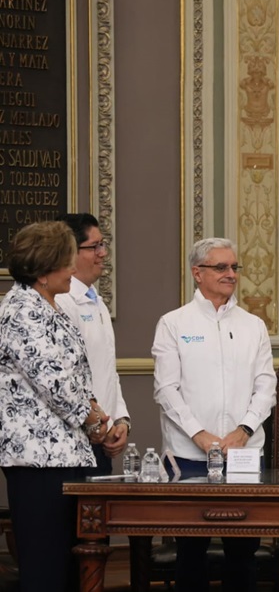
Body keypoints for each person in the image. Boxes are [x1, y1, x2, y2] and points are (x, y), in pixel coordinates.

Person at [152, 237, 276, 592]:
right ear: (198, 273)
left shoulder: (253, 325)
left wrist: (243, 430)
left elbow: (266, 386)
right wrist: (200, 435)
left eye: (234, 267)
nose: (231, 274)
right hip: (188, 456)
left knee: (243, 552)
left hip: (243, 454)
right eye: (221, 267)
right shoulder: (174, 323)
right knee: (191, 552)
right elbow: (166, 389)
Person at [0, 221, 110, 592]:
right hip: (39, 462)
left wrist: (94, 409)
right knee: (45, 569)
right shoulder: (21, 310)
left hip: (65, 456)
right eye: (67, 261)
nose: (72, 268)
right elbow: (55, 383)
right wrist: (94, 420)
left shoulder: (51, 306)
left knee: (66, 568)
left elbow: (75, 373)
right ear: (44, 270)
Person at [56, 213, 131, 475]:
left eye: (103, 244)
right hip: (73, 443)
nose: (103, 253)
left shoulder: (96, 300)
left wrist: (121, 420)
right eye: (94, 246)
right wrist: (95, 421)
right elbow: (64, 376)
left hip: (101, 437)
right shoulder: (61, 301)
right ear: (70, 251)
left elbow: (107, 370)